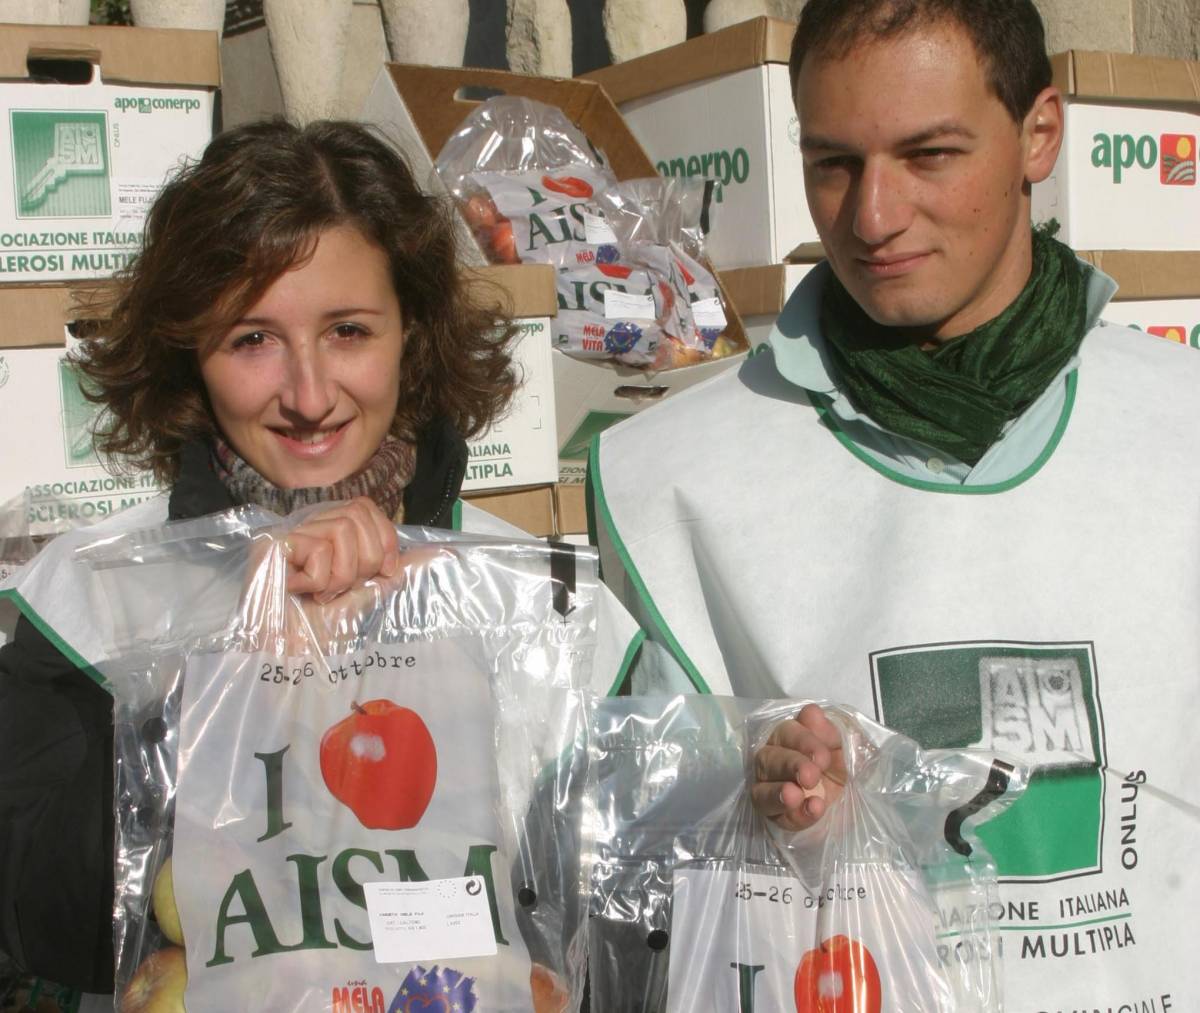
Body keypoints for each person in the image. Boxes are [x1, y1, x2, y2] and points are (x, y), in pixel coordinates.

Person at [588, 0, 1200, 1004]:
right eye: (834, 163)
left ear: (1038, 133)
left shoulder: (1184, 427)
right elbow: (624, 886)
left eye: (929, 155)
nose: (872, 217)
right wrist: (753, 803)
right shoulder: (667, 479)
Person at [0, 119, 638, 999]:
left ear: (412, 331)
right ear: (189, 349)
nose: (307, 395)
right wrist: (235, 658)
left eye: (347, 331)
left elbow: (625, 913)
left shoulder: (533, 594)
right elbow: (42, 922)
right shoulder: (96, 594)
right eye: (251, 339)